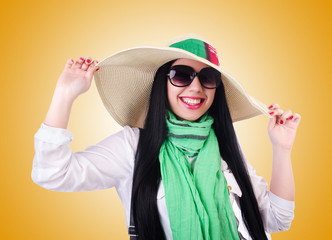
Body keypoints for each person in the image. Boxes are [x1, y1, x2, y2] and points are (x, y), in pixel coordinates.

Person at [31, 34, 301, 240]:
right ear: (163, 82)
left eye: (207, 77)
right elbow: (52, 173)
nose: (196, 87)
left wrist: (282, 149)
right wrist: (65, 94)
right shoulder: (132, 147)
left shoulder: (224, 148)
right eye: (181, 75)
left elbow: (277, 219)